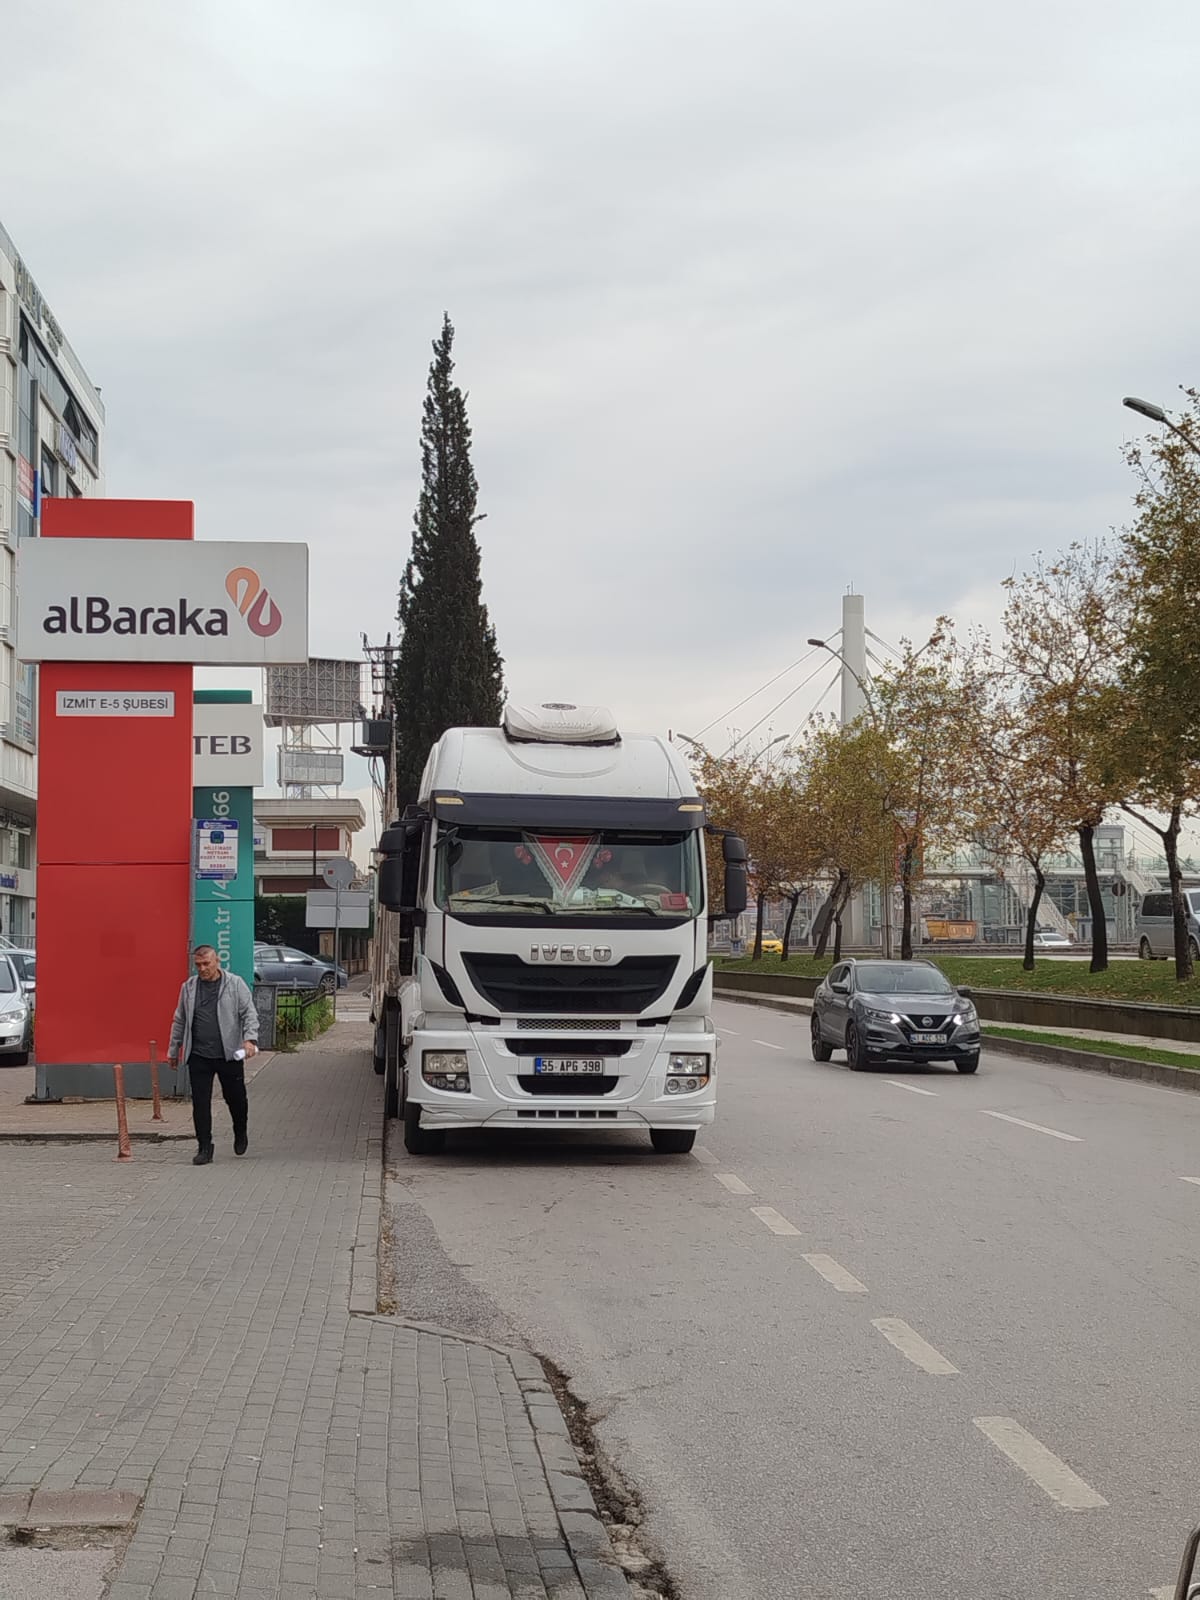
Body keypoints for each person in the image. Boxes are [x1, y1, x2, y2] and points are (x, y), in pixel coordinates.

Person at [168, 946, 259, 1166]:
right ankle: (204, 1147)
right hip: (198, 1054)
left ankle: (240, 1130)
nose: (202, 969)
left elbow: (249, 1013)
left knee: (236, 1099)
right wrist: (174, 1049)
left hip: (228, 1054)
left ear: (217, 961)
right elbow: (180, 1019)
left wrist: (250, 1039)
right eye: (198, 965)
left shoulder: (234, 984)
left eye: (206, 964)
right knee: (200, 1103)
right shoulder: (189, 988)